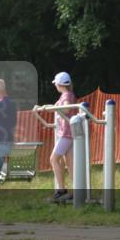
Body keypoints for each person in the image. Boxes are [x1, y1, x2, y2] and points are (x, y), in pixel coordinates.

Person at [49, 72, 76, 203]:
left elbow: (66, 110)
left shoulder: (66, 95)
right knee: (69, 163)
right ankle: (77, 191)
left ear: (59, 84)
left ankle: (61, 190)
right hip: (68, 133)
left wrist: (56, 107)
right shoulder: (66, 95)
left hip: (66, 134)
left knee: (53, 159)